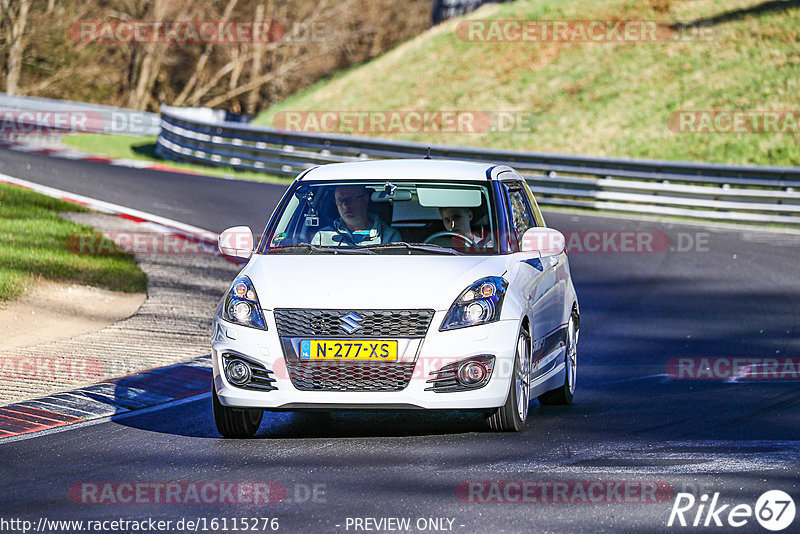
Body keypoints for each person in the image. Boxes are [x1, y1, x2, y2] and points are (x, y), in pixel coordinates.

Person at [311, 185, 401, 246]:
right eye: (340, 200)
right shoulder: (322, 237)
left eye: (350, 199)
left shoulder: (389, 236)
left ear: (365, 199)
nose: (345, 205)